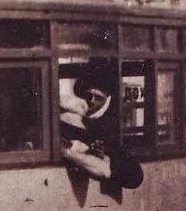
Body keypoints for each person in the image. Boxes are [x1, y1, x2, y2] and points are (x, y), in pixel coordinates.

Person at [59, 62, 143, 190]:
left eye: (98, 97)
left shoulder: (107, 129)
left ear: (107, 99)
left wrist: (69, 153)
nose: (92, 101)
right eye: (89, 95)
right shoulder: (68, 114)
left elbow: (125, 174)